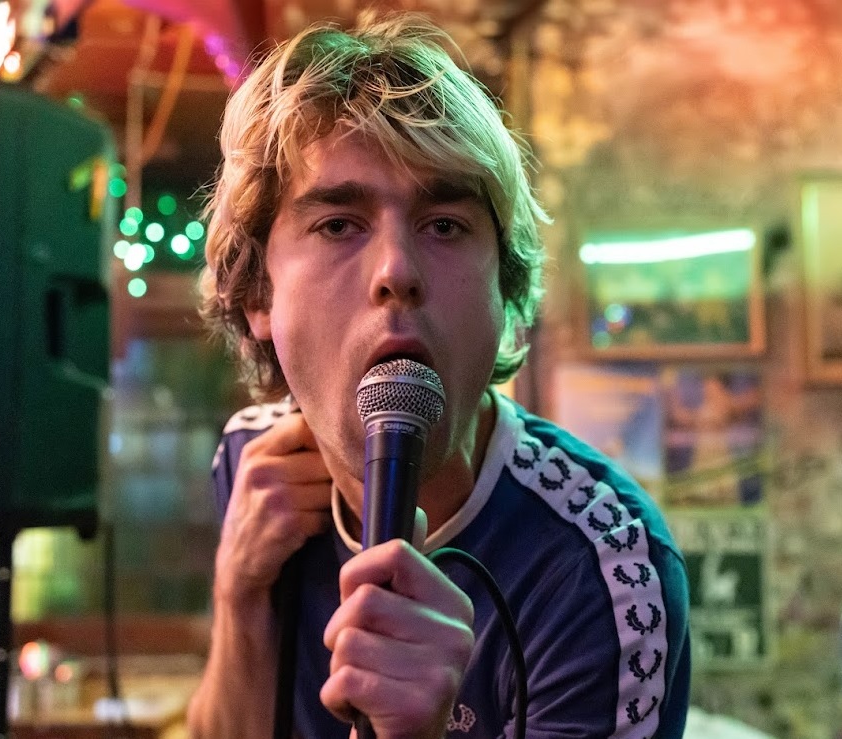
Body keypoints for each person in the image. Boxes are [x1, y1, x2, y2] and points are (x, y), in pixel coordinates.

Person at [187, 12, 690, 739]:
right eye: (338, 225)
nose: (397, 270)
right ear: (259, 295)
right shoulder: (252, 466)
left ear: (504, 292)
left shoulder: (606, 570)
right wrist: (240, 597)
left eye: (445, 225)